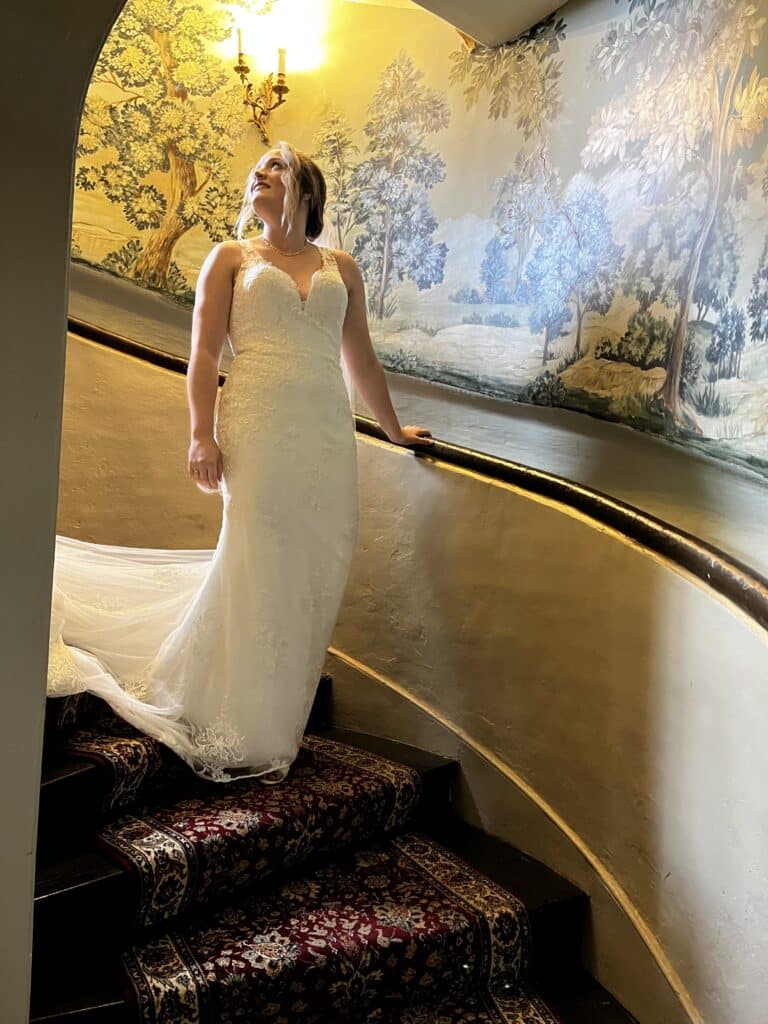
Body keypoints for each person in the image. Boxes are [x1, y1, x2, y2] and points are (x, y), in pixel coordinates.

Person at [48, 141, 434, 784]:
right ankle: (231, 713)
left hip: (325, 434)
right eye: (255, 171)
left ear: (306, 187)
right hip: (256, 424)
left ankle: (274, 715)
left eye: (273, 168)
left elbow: (359, 357)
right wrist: (201, 436)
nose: (258, 176)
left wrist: (393, 431)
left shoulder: (343, 266)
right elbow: (202, 356)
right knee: (256, 556)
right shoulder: (231, 258)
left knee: (317, 563)